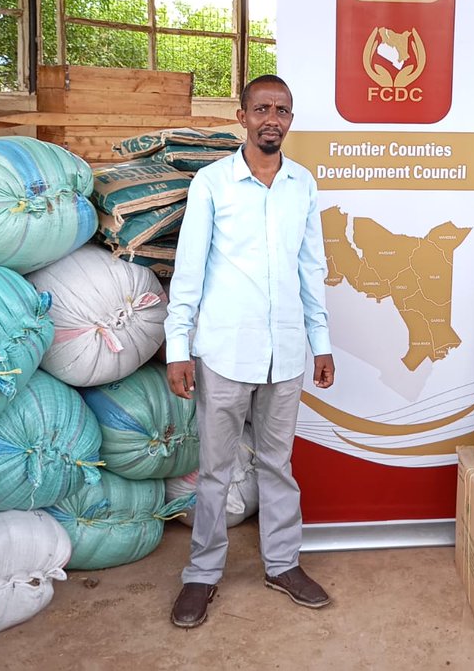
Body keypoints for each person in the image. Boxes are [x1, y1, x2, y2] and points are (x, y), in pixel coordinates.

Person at [164, 73, 336, 629]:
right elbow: (188, 271)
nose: (272, 119)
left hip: (286, 352)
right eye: (262, 108)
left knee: (278, 465)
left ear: (291, 119)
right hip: (224, 350)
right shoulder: (212, 184)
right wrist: (177, 347)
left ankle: (282, 564)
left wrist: (322, 342)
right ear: (242, 116)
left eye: (282, 110)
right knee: (215, 469)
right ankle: (202, 574)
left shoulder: (302, 185)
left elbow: (312, 270)